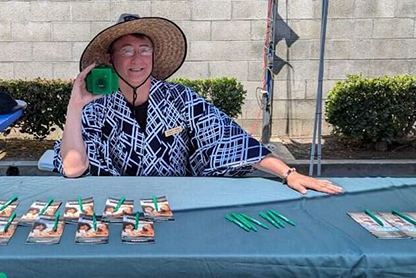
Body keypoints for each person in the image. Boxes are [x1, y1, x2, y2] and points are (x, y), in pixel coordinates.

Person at [55, 14, 342, 196]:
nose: (137, 60)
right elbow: (73, 168)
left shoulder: (180, 99)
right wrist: (74, 105)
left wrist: (288, 173)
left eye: (144, 50)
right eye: (127, 51)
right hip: (116, 211)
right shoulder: (95, 107)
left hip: (177, 206)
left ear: (153, 57)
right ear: (111, 58)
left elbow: (229, 139)